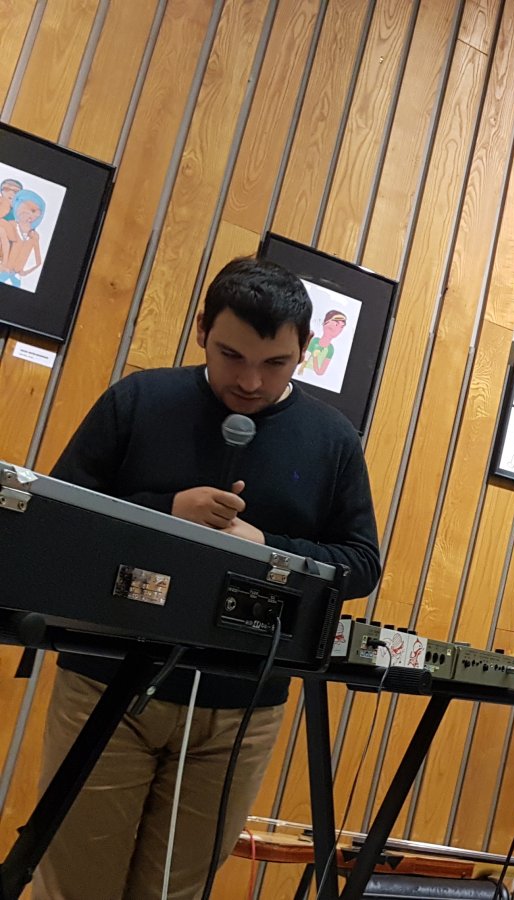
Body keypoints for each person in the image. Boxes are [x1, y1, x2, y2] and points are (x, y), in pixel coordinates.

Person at [36, 256, 383, 899]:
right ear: (201, 330)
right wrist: (165, 511)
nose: (250, 381)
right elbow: (57, 516)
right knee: (77, 886)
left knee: (178, 893)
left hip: (242, 707)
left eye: (275, 363)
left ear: (304, 350)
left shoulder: (333, 439)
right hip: (105, 679)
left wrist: (267, 547)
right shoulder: (139, 399)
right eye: (231, 356)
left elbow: (361, 563)